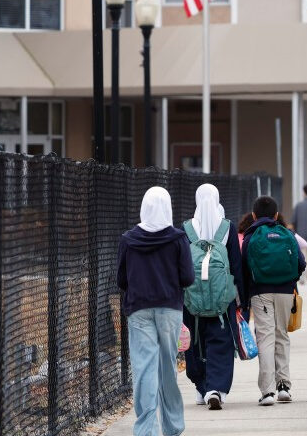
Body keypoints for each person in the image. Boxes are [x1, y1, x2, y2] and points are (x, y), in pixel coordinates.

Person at [117, 186, 195, 436]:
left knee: (144, 369)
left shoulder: (128, 239)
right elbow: (187, 277)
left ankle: (146, 429)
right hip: (169, 308)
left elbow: (121, 279)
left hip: (139, 309)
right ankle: (172, 426)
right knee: (167, 367)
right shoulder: (178, 238)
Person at [180, 184, 246, 410]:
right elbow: (236, 268)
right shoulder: (227, 228)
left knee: (196, 342)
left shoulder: (186, 229)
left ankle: (201, 388)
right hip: (222, 299)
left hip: (192, 298)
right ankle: (215, 389)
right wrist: (241, 301)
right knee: (221, 342)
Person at [241, 196, 307, 406]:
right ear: (276, 215)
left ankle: (267, 391)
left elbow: (243, 265)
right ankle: (284, 387)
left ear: (253, 216)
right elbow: (301, 262)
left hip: (260, 292)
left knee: (265, 338)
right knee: (282, 335)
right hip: (285, 290)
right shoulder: (286, 233)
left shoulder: (251, 235)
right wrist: (290, 281)